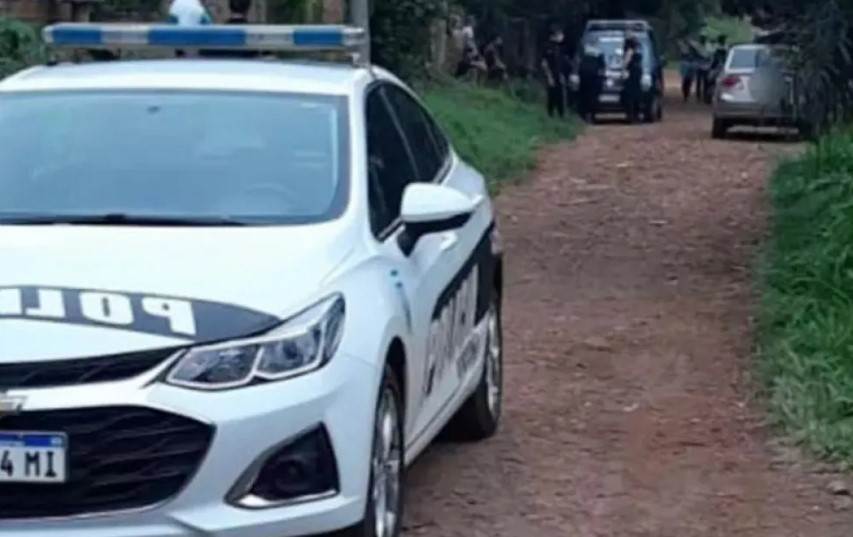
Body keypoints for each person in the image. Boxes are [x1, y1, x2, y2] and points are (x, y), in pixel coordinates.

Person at [541, 25, 567, 118]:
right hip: (551, 75)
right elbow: (544, 63)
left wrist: (562, 75)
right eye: (560, 34)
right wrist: (549, 77)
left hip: (558, 74)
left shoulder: (559, 47)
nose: (562, 36)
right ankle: (550, 114)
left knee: (560, 95)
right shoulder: (547, 46)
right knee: (552, 95)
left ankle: (561, 115)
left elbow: (560, 63)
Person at [577, 41, 605, 122]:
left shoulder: (583, 51)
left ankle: (584, 115)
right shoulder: (599, 52)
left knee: (584, 97)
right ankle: (592, 115)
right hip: (594, 77)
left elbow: (578, 62)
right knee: (593, 97)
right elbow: (602, 67)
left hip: (584, 76)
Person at [622, 34, 643, 122]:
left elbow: (625, 63)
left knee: (630, 96)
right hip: (637, 74)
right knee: (636, 95)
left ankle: (631, 115)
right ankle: (635, 114)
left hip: (632, 75)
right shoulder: (638, 51)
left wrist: (623, 71)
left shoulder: (630, 51)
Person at [695, 34, 713, 103]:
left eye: (703, 38)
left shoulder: (708, 46)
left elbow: (711, 55)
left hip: (706, 67)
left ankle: (705, 96)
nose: (702, 40)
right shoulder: (697, 46)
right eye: (701, 38)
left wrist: (707, 59)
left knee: (706, 82)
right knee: (699, 82)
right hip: (699, 66)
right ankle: (698, 96)